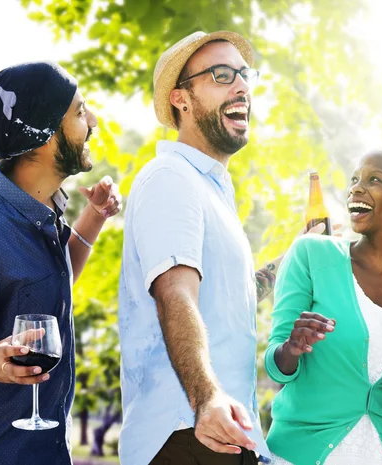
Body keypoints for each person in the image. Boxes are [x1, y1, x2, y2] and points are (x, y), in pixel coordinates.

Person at [118, 31, 327, 465]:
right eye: (221, 75)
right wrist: (207, 397)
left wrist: (293, 256)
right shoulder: (171, 178)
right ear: (182, 99)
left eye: (244, 75)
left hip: (222, 431)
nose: (241, 86)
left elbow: (228, 297)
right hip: (188, 433)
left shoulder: (210, 190)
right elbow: (175, 293)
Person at [0, 61, 121, 465]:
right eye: (77, 111)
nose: (92, 121)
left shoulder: (41, 215)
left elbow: (49, 283)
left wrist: (93, 218)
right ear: (39, 137)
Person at [265, 150, 382, 465]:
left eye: (374, 180)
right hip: (301, 454)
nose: (356, 188)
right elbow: (275, 365)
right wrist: (292, 347)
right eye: (355, 179)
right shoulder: (311, 254)